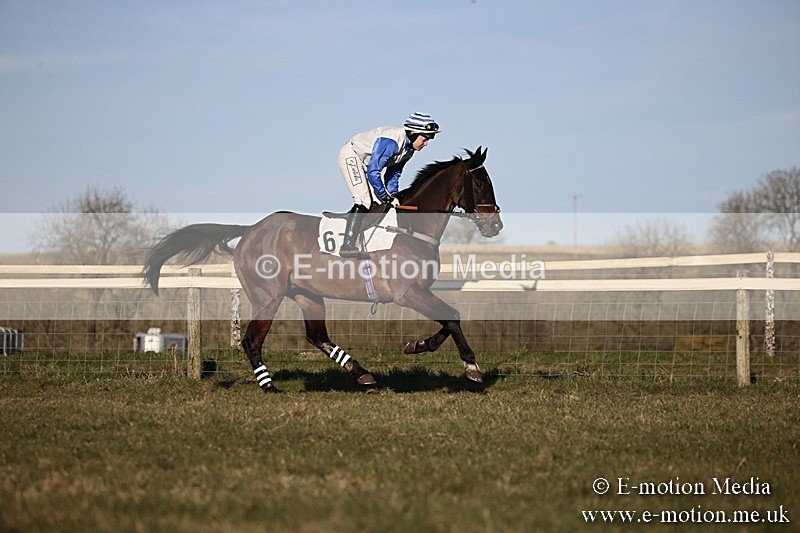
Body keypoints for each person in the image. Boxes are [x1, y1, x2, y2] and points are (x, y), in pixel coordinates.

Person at [337, 112, 441, 258]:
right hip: (352, 156)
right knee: (363, 200)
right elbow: (374, 172)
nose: (426, 143)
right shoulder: (392, 142)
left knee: (381, 203)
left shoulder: (409, 151)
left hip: (368, 165)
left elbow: (393, 174)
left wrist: (393, 196)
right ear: (413, 134)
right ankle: (347, 245)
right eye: (425, 139)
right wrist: (384, 196)